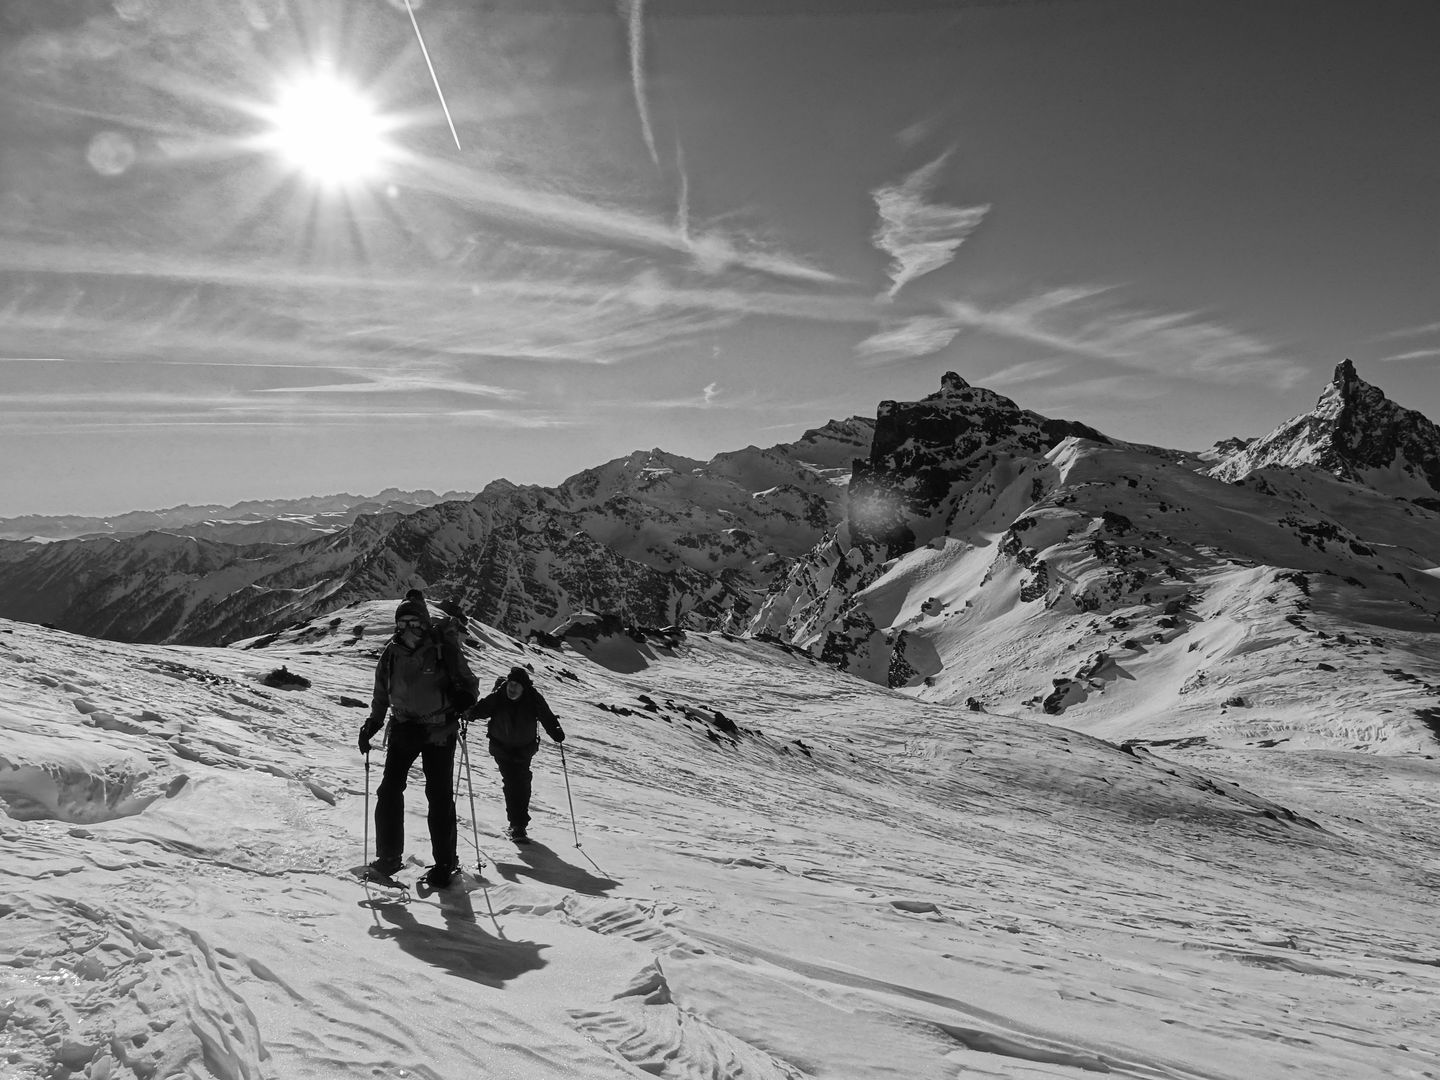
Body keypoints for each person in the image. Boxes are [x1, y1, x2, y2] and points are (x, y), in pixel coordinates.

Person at [358, 593, 479, 887]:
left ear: (424, 624)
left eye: (414, 621)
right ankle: (389, 857)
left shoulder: (442, 651)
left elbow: (469, 683)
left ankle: (445, 864)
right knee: (389, 791)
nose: (408, 627)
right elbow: (381, 692)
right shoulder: (392, 654)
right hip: (403, 728)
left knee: (438, 797)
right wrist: (373, 723)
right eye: (403, 622)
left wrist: (465, 699)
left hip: (439, 731)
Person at [466, 665, 565, 844]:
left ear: (523, 687)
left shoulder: (533, 698)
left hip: (524, 749)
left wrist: (556, 731)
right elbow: (482, 709)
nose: (512, 688)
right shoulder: (499, 696)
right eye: (510, 684)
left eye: (516, 685)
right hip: (502, 748)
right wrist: (468, 714)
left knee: (523, 783)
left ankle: (519, 824)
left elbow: (547, 716)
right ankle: (517, 825)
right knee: (513, 782)